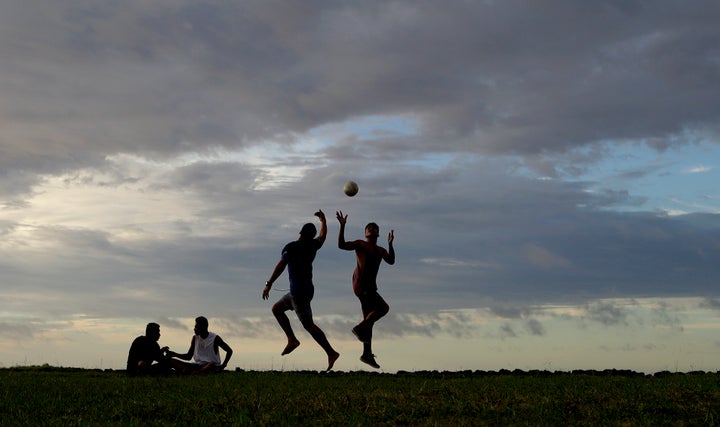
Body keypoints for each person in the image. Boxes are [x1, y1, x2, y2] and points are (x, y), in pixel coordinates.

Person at [262, 210, 340, 371]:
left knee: (308, 325)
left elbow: (281, 266)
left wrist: (269, 283)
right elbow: (323, 236)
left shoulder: (292, 247)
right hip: (305, 290)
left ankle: (331, 352)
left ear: (300, 233)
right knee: (277, 309)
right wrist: (323, 221)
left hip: (298, 293)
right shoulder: (313, 245)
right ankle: (291, 339)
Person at [336, 211, 395, 369]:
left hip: (368, 287)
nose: (372, 230)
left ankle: (366, 354)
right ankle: (359, 328)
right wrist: (342, 226)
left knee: (369, 321)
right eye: (369, 228)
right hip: (362, 286)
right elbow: (341, 245)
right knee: (383, 308)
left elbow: (391, 261)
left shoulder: (381, 250)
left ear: (378, 234)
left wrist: (390, 244)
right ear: (365, 233)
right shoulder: (361, 244)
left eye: (374, 229)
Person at [166, 316, 233, 374]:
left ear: (203, 327)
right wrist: (174, 354)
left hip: (211, 366)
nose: (194, 329)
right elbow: (188, 356)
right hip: (197, 366)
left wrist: (223, 366)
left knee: (211, 364)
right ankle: (195, 372)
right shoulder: (195, 338)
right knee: (172, 361)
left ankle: (191, 372)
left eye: (196, 327)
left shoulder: (215, 338)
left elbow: (229, 351)